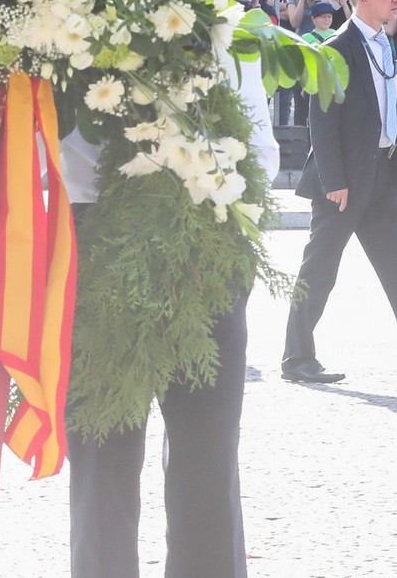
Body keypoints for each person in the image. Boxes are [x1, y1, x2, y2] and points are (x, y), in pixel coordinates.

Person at [62, 64, 278, 578]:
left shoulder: (219, 27)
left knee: (205, 456)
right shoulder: (64, 24)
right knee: (104, 455)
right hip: (102, 238)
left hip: (199, 238)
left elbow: (260, 150)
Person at [282, 0, 397, 385]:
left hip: (382, 178)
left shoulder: (387, 43)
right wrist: (334, 182)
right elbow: (322, 120)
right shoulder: (336, 47)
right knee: (319, 272)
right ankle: (296, 360)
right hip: (344, 184)